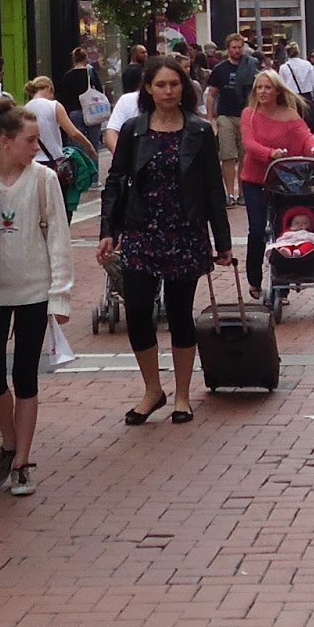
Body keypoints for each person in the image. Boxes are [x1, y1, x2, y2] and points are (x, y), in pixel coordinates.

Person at [99, 55, 232, 426]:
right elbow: (116, 180)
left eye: (174, 84)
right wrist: (108, 230)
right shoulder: (133, 129)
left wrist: (222, 241)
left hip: (184, 232)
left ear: (184, 88)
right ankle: (152, 389)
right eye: (160, 85)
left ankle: (183, 396)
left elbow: (212, 187)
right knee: (138, 311)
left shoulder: (199, 131)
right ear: (148, 89)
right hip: (142, 231)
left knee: (179, 313)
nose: (168, 91)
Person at [0, 100, 73, 498]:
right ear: (5, 140)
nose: (38, 146)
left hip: (33, 288)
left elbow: (58, 236)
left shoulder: (44, 178)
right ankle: (10, 439)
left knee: (26, 374)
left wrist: (60, 295)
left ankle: (22, 461)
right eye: (31, 140)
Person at [240, 69, 314, 296]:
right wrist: (270, 153)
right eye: (259, 87)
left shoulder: (290, 115)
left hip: (283, 182)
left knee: (281, 230)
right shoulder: (250, 114)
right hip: (255, 181)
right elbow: (249, 144)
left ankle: (282, 283)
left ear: (277, 91)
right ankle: (254, 279)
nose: (263, 92)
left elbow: (305, 137)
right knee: (257, 230)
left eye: (268, 87)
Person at [205, 34, 257, 206]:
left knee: (245, 155)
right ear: (228, 49)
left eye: (239, 47)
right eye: (233, 47)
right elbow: (212, 94)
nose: (237, 50)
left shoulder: (251, 66)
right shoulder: (220, 69)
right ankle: (229, 193)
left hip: (245, 116)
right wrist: (211, 118)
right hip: (225, 115)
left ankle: (242, 192)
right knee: (228, 155)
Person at [22, 77, 92, 176]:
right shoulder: (54, 106)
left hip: (32, 162)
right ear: (48, 88)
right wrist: (88, 145)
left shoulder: (24, 110)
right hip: (53, 162)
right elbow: (73, 133)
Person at [63, 47, 106, 185]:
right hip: (91, 111)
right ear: (85, 58)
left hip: (74, 113)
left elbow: (65, 97)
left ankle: (80, 179)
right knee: (93, 145)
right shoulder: (90, 72)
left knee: (77, 148)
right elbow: (99, 89)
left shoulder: (68, 76)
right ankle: (94, 179)